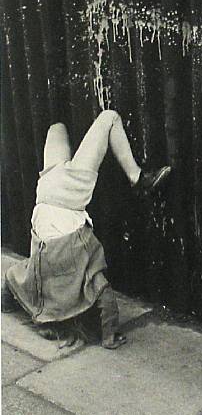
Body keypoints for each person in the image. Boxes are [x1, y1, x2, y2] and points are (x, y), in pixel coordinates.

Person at [2, 110, 171, 349]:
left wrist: (109, 337)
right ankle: (135, 176)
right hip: (45, 194)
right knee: (57, 127)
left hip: (67, 195)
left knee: (110, 118)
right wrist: (7, 304)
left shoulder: (81, 279)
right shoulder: (37, 275)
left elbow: (107, 302)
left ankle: (138, 178)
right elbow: (10, 280)